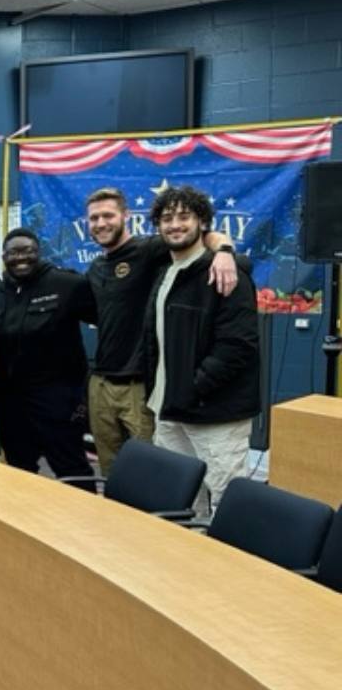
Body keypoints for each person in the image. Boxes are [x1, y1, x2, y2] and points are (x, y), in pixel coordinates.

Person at [85, 186, 237, 474]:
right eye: (94, 218)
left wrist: (226, 252)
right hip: (101, 384)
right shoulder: (95, 267)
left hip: (140, 386)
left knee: (150, 471)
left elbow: (207, 236)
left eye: (108, 215)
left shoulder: (149, 250)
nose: (101, 223)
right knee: (110, 470)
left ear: (125, 216)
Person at [144, 185, 260, 516]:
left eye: (184, 216)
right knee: (177, 500)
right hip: (168, 411)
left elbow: (237, 346)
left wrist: (192, 388)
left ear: (202, 223)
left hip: (214, 414)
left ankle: (229, 567)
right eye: (167, 218)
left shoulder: (224, 271)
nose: (175, 225)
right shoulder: (165, 271)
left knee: (226, 501)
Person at [0, 228, 97, 482]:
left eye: (27, 251)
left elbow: (110, 319)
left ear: (39, 252)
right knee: (19, 470)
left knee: (71, 468)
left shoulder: (67, 284)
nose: (20, 257)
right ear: (4, 256)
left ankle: (82, 522)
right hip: (11, 401)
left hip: (58, 399)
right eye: (13, 252)